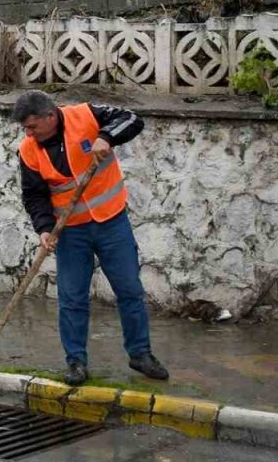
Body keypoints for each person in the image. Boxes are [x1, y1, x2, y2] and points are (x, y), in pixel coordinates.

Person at [12, 90, 168, 386]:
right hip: (69, 230)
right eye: (25, 129)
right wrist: (44, 228)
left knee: (130, 289)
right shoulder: (29, 150)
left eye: (32, 126)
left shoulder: (85, 115)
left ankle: (140, 354)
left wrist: (107, 136)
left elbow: (132, 119)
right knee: (72, 298)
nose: (29, 133)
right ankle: (76, 362)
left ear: (50, 116)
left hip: (111, 221)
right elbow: (34, 195)